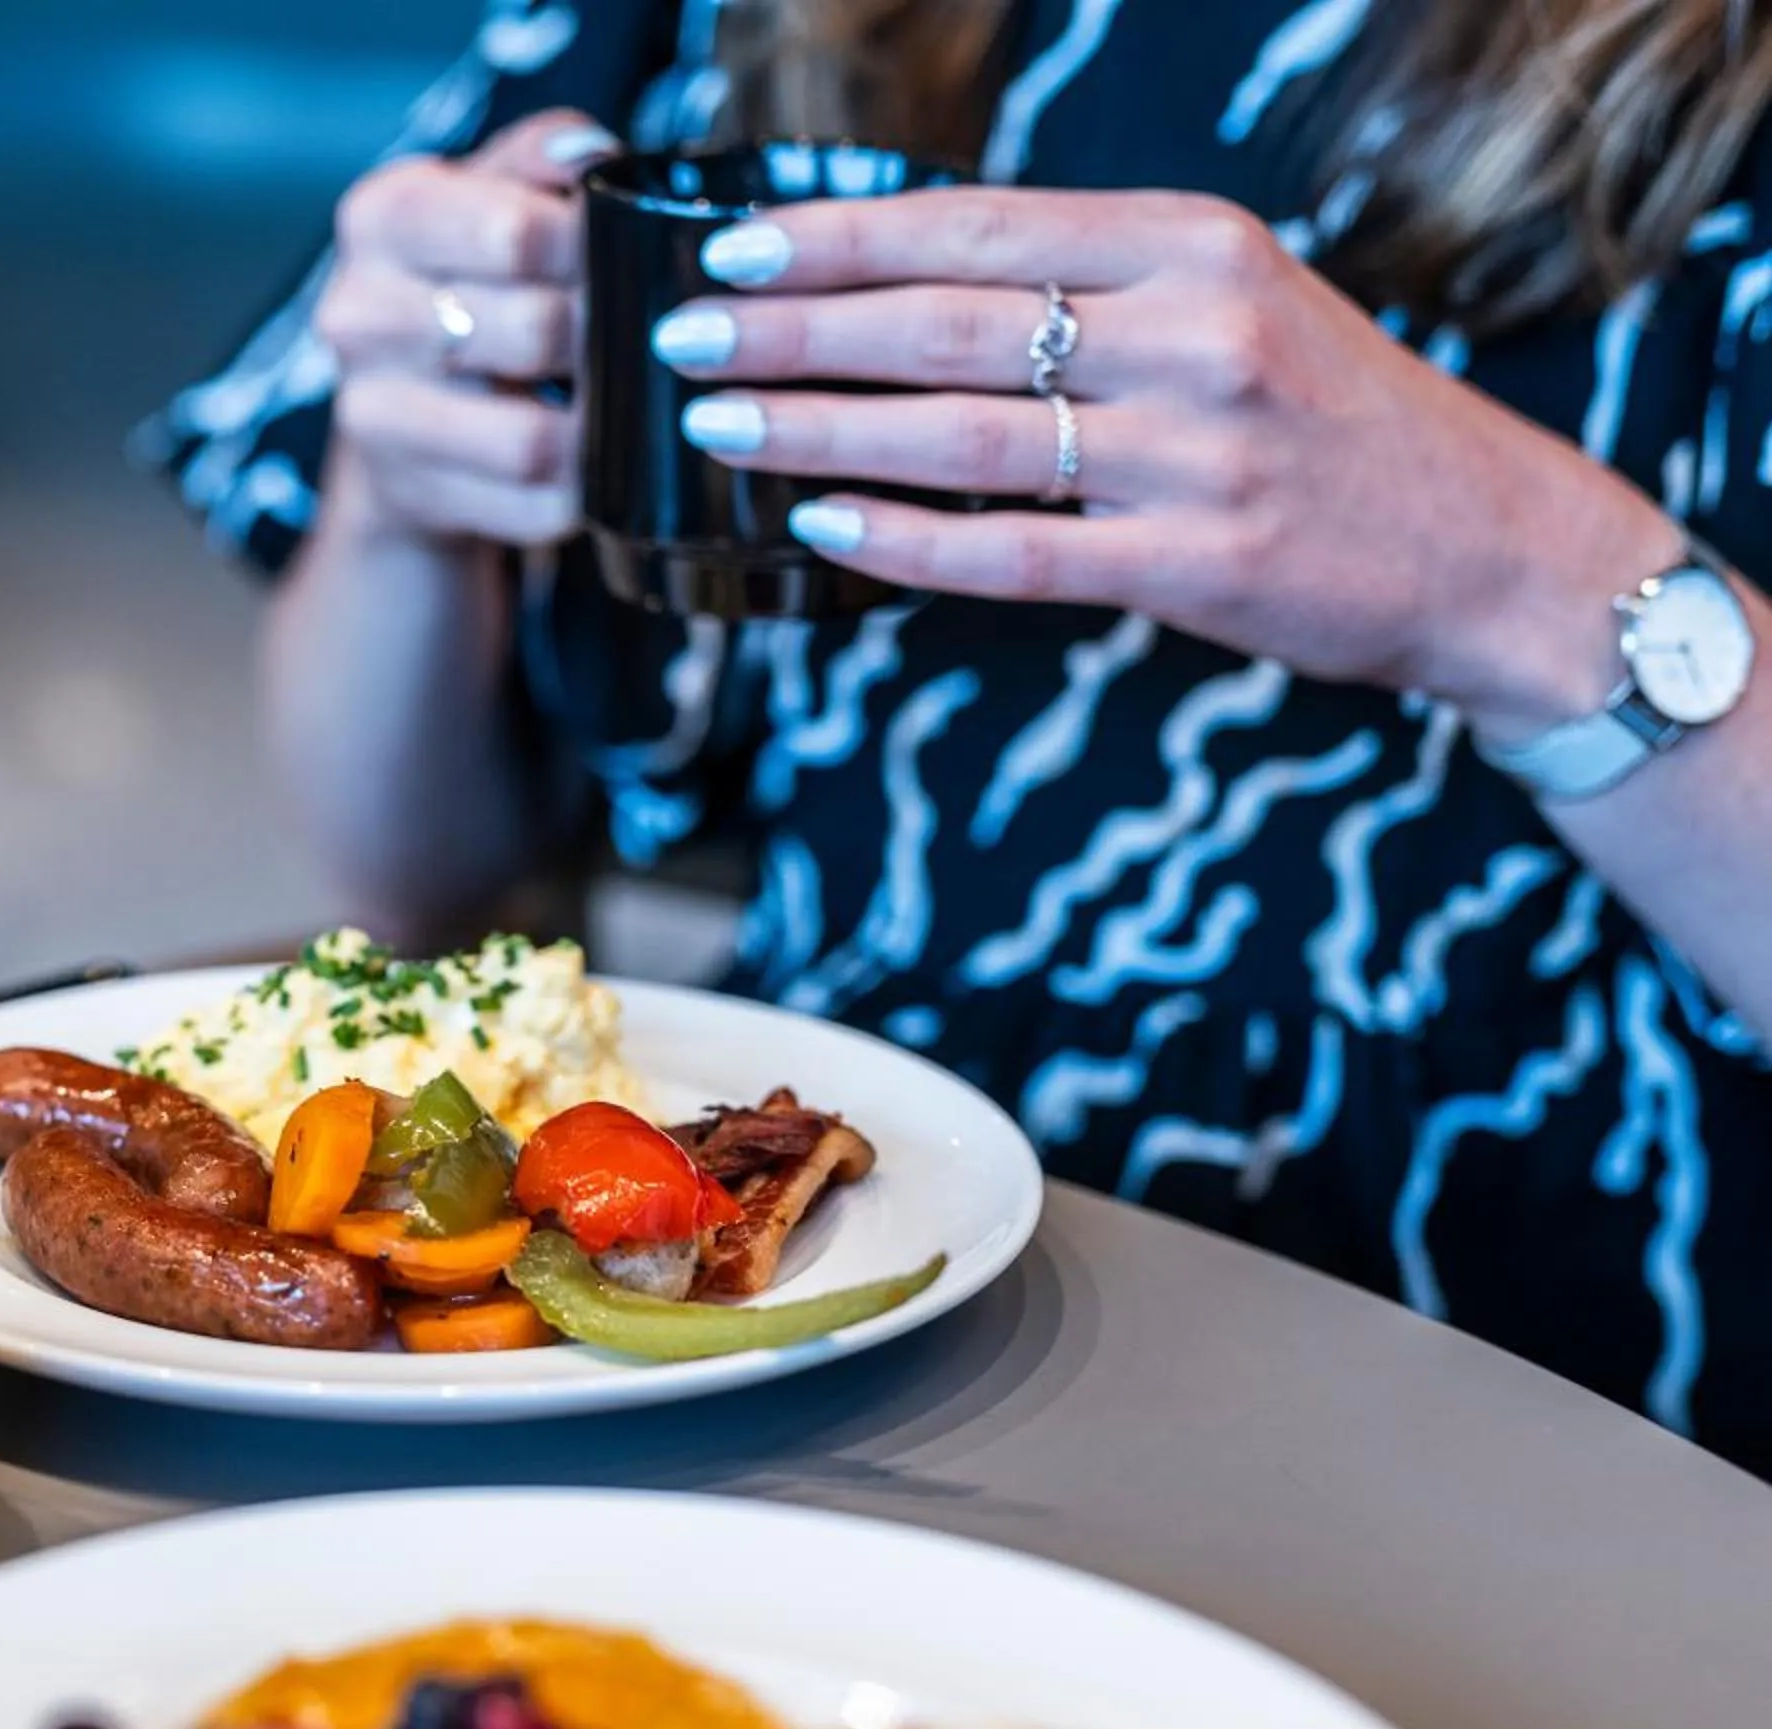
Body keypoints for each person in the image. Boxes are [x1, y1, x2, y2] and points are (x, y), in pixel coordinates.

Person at [142, 0, 1772, 1474]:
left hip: (1576, 1386)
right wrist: (404, 493)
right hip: (806, 1301)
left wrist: (1531, 585)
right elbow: (422, 876)